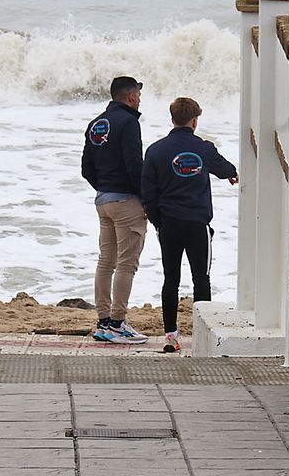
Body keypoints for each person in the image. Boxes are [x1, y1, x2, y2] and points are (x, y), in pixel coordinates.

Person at [140, 97, 237, 353]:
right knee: (201, 279)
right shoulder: (203, 148)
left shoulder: (156, 150)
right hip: (197, 225)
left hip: (169, 224)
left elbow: (148, 193)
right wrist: (231, 174)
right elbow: (226, 168)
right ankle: (202, 337)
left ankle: (171, 336)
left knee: (170, 279)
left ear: (172, 119)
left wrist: (157, 222)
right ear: (195, 121)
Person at [81, 75, 149, 344]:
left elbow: (86, 168)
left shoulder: (96, 123)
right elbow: (135, 164)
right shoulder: (129, 122)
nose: (140, 99)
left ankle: (103, 321)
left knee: (105, 261)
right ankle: (118, 324)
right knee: (126, 264)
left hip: (103, 201)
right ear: (131, 96)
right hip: (126, 201)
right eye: (139, 95)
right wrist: (145, 199)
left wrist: (105, 187)